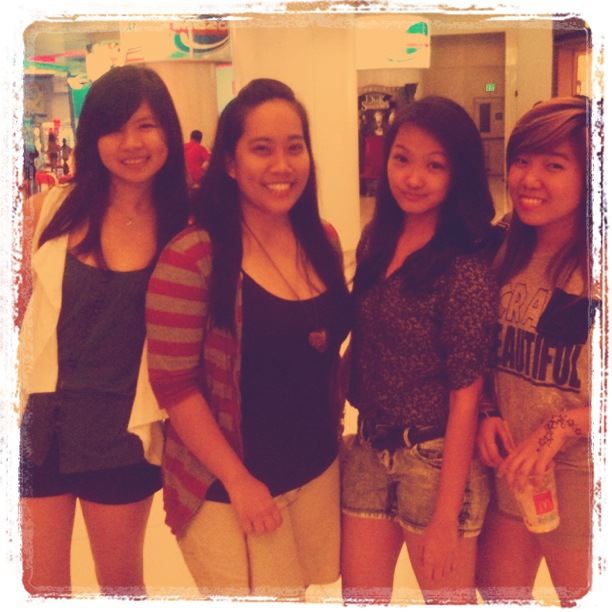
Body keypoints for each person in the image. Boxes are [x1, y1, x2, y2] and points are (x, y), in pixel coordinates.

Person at [146, 78, 350, 599]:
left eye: (294, 147)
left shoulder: (322, 239)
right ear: (231, 164)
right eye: (262, 149)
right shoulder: (194, 256)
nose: (282, 166)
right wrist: (238, 481)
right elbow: (174, 386)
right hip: (229, 489)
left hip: (315, 469)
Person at [18, 65, 189, 597]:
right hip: (44, 427)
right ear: (92, 138)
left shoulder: (186, 226)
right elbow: (18, 314)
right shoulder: (48, 212)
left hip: (125, 434)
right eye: (114, 129)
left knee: (121, 585)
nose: (130, 143)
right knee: (38, 586)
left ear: (168, 133)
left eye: (145, 126)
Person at [342, 96, 498, 604]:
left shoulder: (464, 266)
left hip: (434, 461)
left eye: (435, 165)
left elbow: (465, 397)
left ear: (459, 174)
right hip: (368, 451)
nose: (413, 178)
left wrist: (446, 517)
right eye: (402, 159)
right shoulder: (376, 239)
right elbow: (362, 343)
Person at [475, 96, 594, 605]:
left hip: (580, 472)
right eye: (522, 160)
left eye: (554, 165)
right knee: (498, 594)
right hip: (509, 466)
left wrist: (564, 426)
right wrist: (485, 412)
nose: (529, 178)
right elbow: (482, 352)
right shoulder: (502, 249)